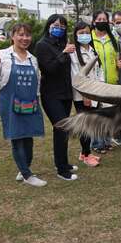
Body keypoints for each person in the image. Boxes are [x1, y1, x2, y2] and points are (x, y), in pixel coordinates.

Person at [0, 23, 46, 187]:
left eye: (27, 35)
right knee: (17, 139)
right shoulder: (1, 55)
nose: (24, 38)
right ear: (12, 36)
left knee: (28, 139)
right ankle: (27, 175)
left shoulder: (32, 59)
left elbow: (37, 85)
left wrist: (36, 102)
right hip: (10, 105)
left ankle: (24, 167)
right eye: (20, 34)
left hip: (29, 103)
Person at [35, 14, 78, 181]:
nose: (59, 28)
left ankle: (63, 163)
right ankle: (61, 170)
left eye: (62, 26)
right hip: (51, 94)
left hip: (66, 93)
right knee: (61, 129)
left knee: (62, 130)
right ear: (48, 26)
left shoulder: (63, 43)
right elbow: (49, 69)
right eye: (55, 25)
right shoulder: (42, 45)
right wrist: (64, 53)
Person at [69, 21, 102, 167]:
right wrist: (86, 95)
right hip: (82, 95)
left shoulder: (93, 50)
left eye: (87, 32)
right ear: (75, 35)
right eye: (81, 33)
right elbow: (77, 76)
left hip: (94, 92)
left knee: (90, 124)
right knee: (85, 126)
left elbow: (98, 72)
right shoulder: (74, 54)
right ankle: (87, 155)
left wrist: (100, 90)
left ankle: (84, 152)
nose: (84, 35)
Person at [91, 10, 121, 153]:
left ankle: (107, 141)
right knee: (97, 113)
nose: (102, 21)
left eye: (104, 19)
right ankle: (97, 143)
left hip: (111, 81)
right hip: (95, 82)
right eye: (99, 19)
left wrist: (118, 64)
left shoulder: (112, 37)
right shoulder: (89, 38)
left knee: (109, 112)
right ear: (94, 21)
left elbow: (116, 57)